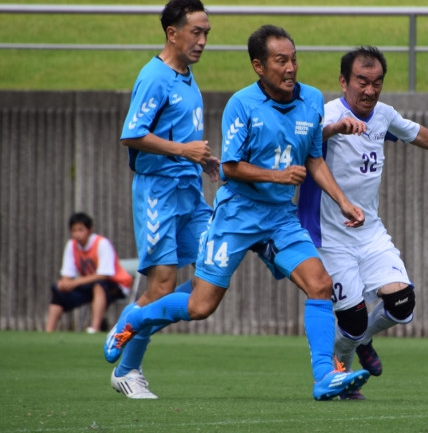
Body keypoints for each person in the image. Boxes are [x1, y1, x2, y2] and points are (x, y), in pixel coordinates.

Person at [104, 25, 371, 401]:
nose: (291, 67)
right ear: (259, 66)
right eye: (281, 61)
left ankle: (324, 376)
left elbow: (313, 158)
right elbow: (230, 168)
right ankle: (137, 318)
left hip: (280, 217)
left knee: (320, 284)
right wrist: (278, 175)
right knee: (200, 306)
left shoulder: (310, 100)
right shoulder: (241, 105)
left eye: (294, 59)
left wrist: (343, 201)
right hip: (236, 217)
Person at [298, 46, 428, 399]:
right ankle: (341, 366)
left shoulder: (383, 115)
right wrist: (334, 129)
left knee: (402, 304)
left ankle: (359, 345)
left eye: (377, 83)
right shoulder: (324, 114)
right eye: (362, 81)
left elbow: (415, 132)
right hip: (330, 237)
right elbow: (304, 141)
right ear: (344, 82)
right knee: (353, 319)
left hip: (370, 232)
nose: (370, 90)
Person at [106, 0, 219, 399]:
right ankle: (128, 367)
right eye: (196, 32)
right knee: (165, 285)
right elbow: (131, 134)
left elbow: (179, 136)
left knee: (215, 266)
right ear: (172, 34)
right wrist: (183, 151)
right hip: (158, 192)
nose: (203, 40)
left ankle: (132, 319)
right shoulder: (154, 76)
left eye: (206, 32)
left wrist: (202, 160)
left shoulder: (187, 77)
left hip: (189, 190)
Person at [46, 212, 133, 334]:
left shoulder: (102, 243)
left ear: (90, 229)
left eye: (81, 230)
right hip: (90, 285)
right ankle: (49, 331)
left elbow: (104, 274)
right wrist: (65, 283)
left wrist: (75, 282)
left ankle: (94, 328)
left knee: (99, 285)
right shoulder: (71, 246)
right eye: (74, 230)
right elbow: (67, 273)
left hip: (116, 285)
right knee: (58, 289)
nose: (77, 234)